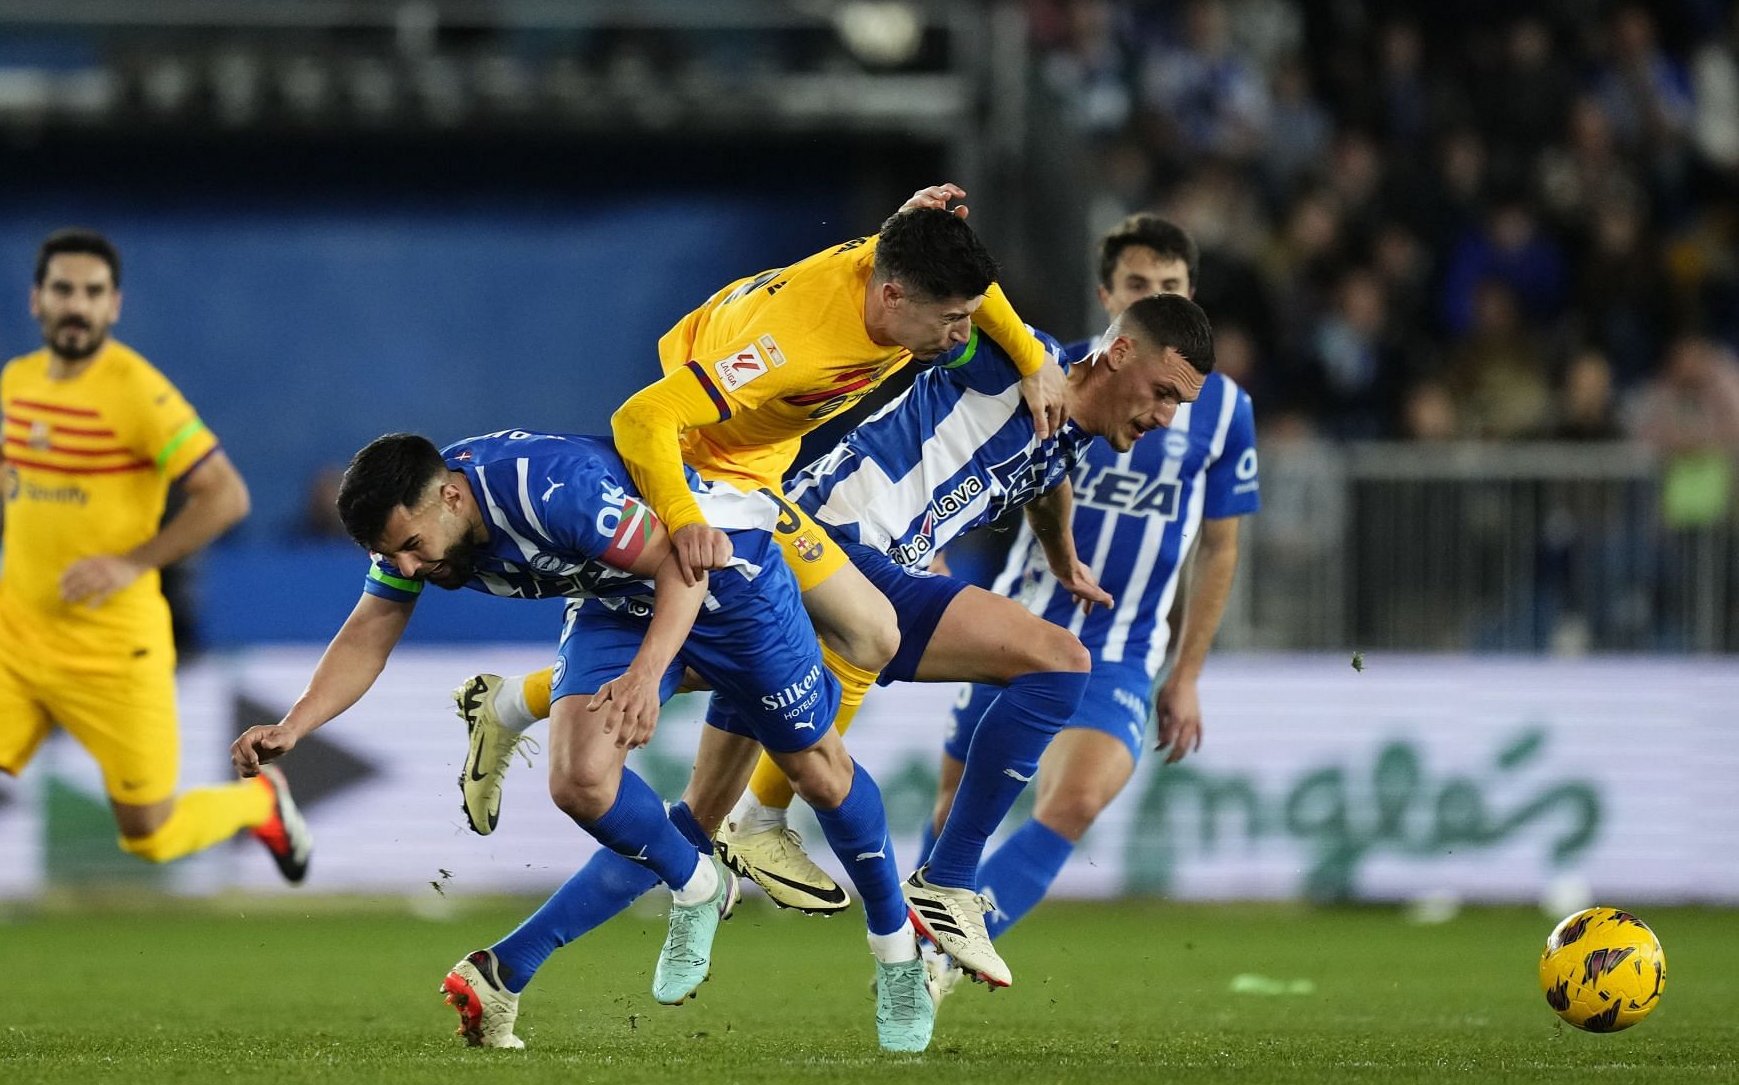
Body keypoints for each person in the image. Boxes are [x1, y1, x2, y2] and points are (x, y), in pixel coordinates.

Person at [439, 295, 1214, 999]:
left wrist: (1061, 552)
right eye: (1164, 394)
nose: (1167, 418)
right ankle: (933, 879)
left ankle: (509, 959)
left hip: (868, 571)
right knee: (1055, 662)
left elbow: (1044, 478)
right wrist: (985, 306)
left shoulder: (1063, 431)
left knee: (695, 822)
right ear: (1117, 354)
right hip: (828, 551)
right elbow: (960, 307)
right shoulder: (1020, 362)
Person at [455, 192, 1070, 916]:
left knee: (812, 639)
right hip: (703, 475)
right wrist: (684, 521)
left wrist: (1031, 361)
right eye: (951, 321)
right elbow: (643, 415)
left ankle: (511, 704)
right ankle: (764, 823)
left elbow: (967, 285)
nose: (964, 335)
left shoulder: (898, 267)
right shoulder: (792, 345)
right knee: (865, 631)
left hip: (755, 467)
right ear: (895, 292)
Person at [226, 430, 934, 1053]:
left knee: (820, 774)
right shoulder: (425, 530)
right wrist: (295, 723)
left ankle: (896, 951)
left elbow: (682, 566)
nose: (408, 568)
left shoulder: (551, 491)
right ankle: (697, 880)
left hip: (723, 580)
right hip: (614, 602)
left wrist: (645, 678)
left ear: (450, 496)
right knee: (581, 780)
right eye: (392, 554)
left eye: (410, 547)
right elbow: (368, 631)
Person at [0, 229, 301, 1014]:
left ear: (113, 305)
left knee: (147, 832)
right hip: (16, 637)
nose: (75, 306)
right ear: (36, 300)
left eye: (90, 293)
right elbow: (16, 449)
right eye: (62, 290)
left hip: (117, 648)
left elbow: (227, 495)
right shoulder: (20, 379)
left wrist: (131, 561)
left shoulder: (140, 393)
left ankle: (260, 804)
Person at [925, 215, 1260, 993]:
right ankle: (914, 927)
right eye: (1139, 286)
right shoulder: (1057, 375)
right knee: (953, 808)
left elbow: (1221, 546)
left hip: (1124, 647)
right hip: (1019, 619)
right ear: (1110, 298)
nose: (1155, 295)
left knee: (1073, 799)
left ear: (1190, 298)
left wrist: (1186, 671)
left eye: (1170, 287)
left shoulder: (1222, 411)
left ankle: (933, 962)